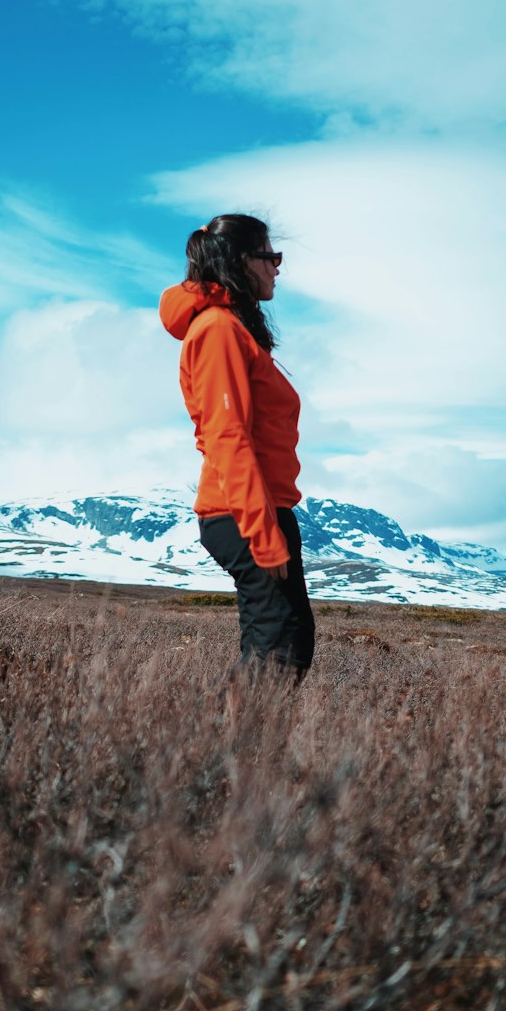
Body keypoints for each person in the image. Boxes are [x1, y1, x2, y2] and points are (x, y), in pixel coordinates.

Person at [159, 213, 314, 678]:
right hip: (245, 513)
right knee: (279, 649)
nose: (276, 268)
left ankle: (235, 744)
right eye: (270, 257)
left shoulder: (233, 328)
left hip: (259, 509)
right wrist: (263, 536)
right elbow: (228, 436)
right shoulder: (219, 330)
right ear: (242, 261)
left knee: (282, 642)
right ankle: (230, 747)